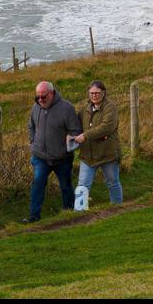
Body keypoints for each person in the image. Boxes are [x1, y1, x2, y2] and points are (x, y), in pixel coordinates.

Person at [24, 80, 81, 223]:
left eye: (43, 96)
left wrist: (67, 144)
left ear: (52, 93)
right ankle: (34, 217)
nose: (40, 100)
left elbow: (76, 131)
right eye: (38, 97)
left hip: (62, 158)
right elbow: (31, 126)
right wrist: (33, 141)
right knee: (38, 183)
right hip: (40, 157)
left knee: (66, 186)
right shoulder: (35, 107)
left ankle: (69, 215)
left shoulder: (67, 108)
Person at [74, 79, 122, 207]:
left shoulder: (110, 107)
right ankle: (79, 214)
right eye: (91, 93)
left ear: (104, 93)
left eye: (97, 93)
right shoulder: (84, 110)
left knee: (112, 182)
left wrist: (85, 135)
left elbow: (107, 127)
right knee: (82, 185)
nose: (94, 96)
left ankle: (117, 209)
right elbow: (76, 126)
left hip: (108, 153)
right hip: (87, 155)